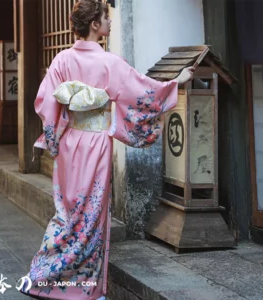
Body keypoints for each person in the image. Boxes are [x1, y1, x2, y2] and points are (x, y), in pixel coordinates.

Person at [20, 1, 194, 299]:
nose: (110, 23)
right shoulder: (109, 63)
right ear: (94, 25)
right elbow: (143, 92)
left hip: (69, 142)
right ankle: (86, 287)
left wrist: (54, 138)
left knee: (68, 212)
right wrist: (176, 82)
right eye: (105, 18)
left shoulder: (62, 59)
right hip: (96, 143)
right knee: (92, 214)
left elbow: (45, 104)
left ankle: (44, 275)